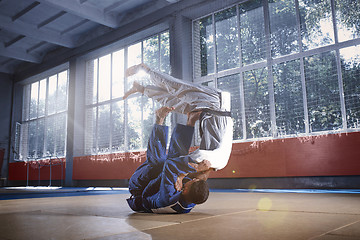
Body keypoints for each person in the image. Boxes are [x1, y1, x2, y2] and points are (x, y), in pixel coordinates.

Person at [124, 63, 234, 171]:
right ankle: (145, 69)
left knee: (174, 103)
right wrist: (180, 172)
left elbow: (196, 160)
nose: (194, 167)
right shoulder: (218, 162)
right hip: (217, 103)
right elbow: (197, 156)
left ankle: (141, 89)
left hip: (208, 111)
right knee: (178, 88)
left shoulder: (214, 162)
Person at [127, 106, 212, 214]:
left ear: (184, 190)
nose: (193, 179)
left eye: (191, 182)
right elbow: (201, 178)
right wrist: (209, 168)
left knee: (159, 162)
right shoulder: (194, 198)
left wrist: (189, 171)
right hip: (156, 186)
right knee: (178, 161)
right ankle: (191, 121)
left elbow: (170, 165)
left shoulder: (169, 195)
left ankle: (159, 118)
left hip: (139, 187)